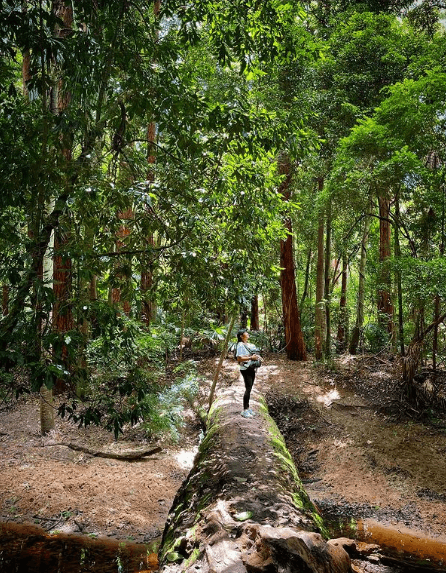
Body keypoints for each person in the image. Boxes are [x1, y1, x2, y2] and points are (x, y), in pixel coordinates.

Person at [235, 329, 261, 418]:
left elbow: (252, 354)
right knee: (248, 387)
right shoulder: (240, 345)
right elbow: (239, 358)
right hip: (245, 369)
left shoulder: (248, 345)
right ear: (241, 336)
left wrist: (257, 357)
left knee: (250, 388)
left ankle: (248, 408)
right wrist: (251, 358)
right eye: (246, 333)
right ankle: (245, 410)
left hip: (251, 368)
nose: (248, 333)